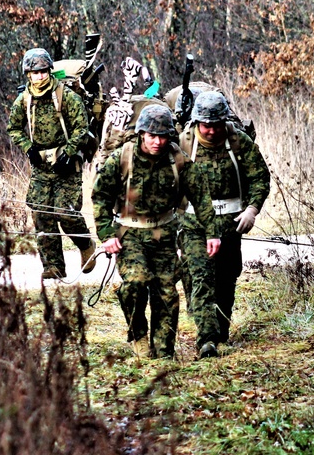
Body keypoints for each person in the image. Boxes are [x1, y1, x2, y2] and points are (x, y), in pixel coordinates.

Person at [91, 105, 220, 359]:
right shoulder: (123, 157)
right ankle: (137, 333)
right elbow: (100, 196)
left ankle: (164, 351)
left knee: (167, 295)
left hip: (164, 235)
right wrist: (106, 234)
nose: (157, 142)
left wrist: (212, 232)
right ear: (141, 134)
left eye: (163, 136)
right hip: (130, 234)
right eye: (152, 136)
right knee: (136, 283)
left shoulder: (178, 159)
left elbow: (201, 197)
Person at [177, 91, 270, 359]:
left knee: (227, 279)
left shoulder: (238, 142)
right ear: (197, 123)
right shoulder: (183, 143)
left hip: (231, 226)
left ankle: (221, 331)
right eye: (205, 125)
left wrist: (252, 209)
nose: (211, 131)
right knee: (201, 278)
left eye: (216, 125)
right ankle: (206, 340)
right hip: (195, 225)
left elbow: (259, 178)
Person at [7, 48, 96, 279]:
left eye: (43, 72)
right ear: (28, 75)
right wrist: (29, 148)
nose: (39, 77)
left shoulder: (66, 96)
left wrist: (68, 152)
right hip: (41, 167)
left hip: (67, 164)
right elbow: (13, 128)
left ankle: (86, 245)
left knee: (65, 212)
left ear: (49, 72)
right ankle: (53, 266)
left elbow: (81, 128)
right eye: (34, 73)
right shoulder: (24, 99)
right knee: (41, 215)